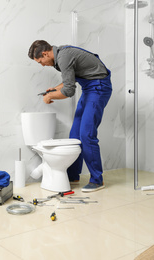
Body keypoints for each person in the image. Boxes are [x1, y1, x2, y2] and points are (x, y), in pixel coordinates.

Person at [28, 40, 112, 192]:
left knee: (87, 134)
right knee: (75, 135)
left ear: (45, 53)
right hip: (89, 89)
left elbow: (69, 91)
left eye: (41, 61)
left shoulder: (63, 57)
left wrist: (50, 97)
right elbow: (69, 80)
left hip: (98, 87)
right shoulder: (61, 56)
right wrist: (54, 89)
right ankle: (73, 176)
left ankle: (97, 180)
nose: (42, 65)